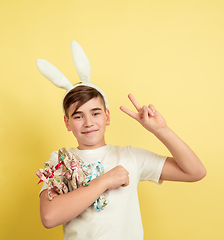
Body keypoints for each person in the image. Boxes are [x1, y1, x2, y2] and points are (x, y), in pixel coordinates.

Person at [36, 41, 206, 240]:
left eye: (95, 113)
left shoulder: (130, 156)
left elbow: (195, 171)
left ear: (107, 116)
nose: (88, 122)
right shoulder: (60, 159)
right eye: (78, 116)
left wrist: (162, 130)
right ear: (67, 123)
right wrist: (104, 181)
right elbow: (49, 217)